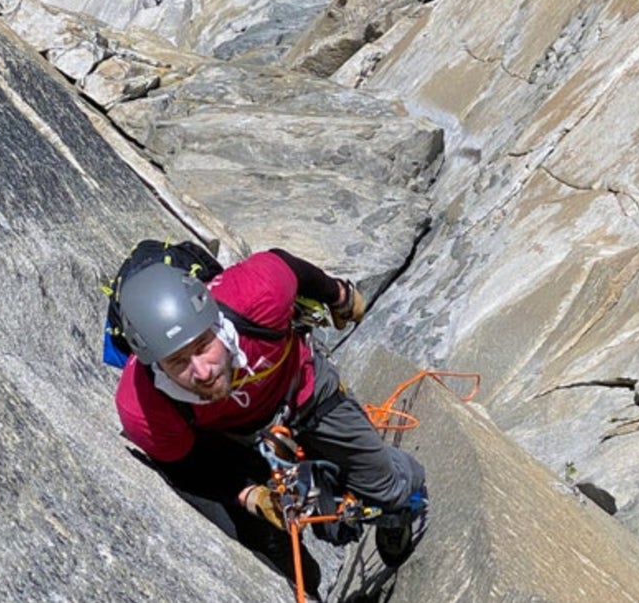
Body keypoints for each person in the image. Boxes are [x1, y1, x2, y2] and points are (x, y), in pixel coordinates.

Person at [113, 247, 427, 591]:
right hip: (237, 440)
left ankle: (397, 503)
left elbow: (292, 269)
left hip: (306, 393)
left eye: (203, 345)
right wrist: (249, 495)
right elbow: (187, 465)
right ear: (154, 362)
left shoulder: (256, 293)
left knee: (386, 489)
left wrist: (340, 295)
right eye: (178, 363)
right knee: (301, 540)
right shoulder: (143, 408)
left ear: (213, 320)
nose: (202, 371)